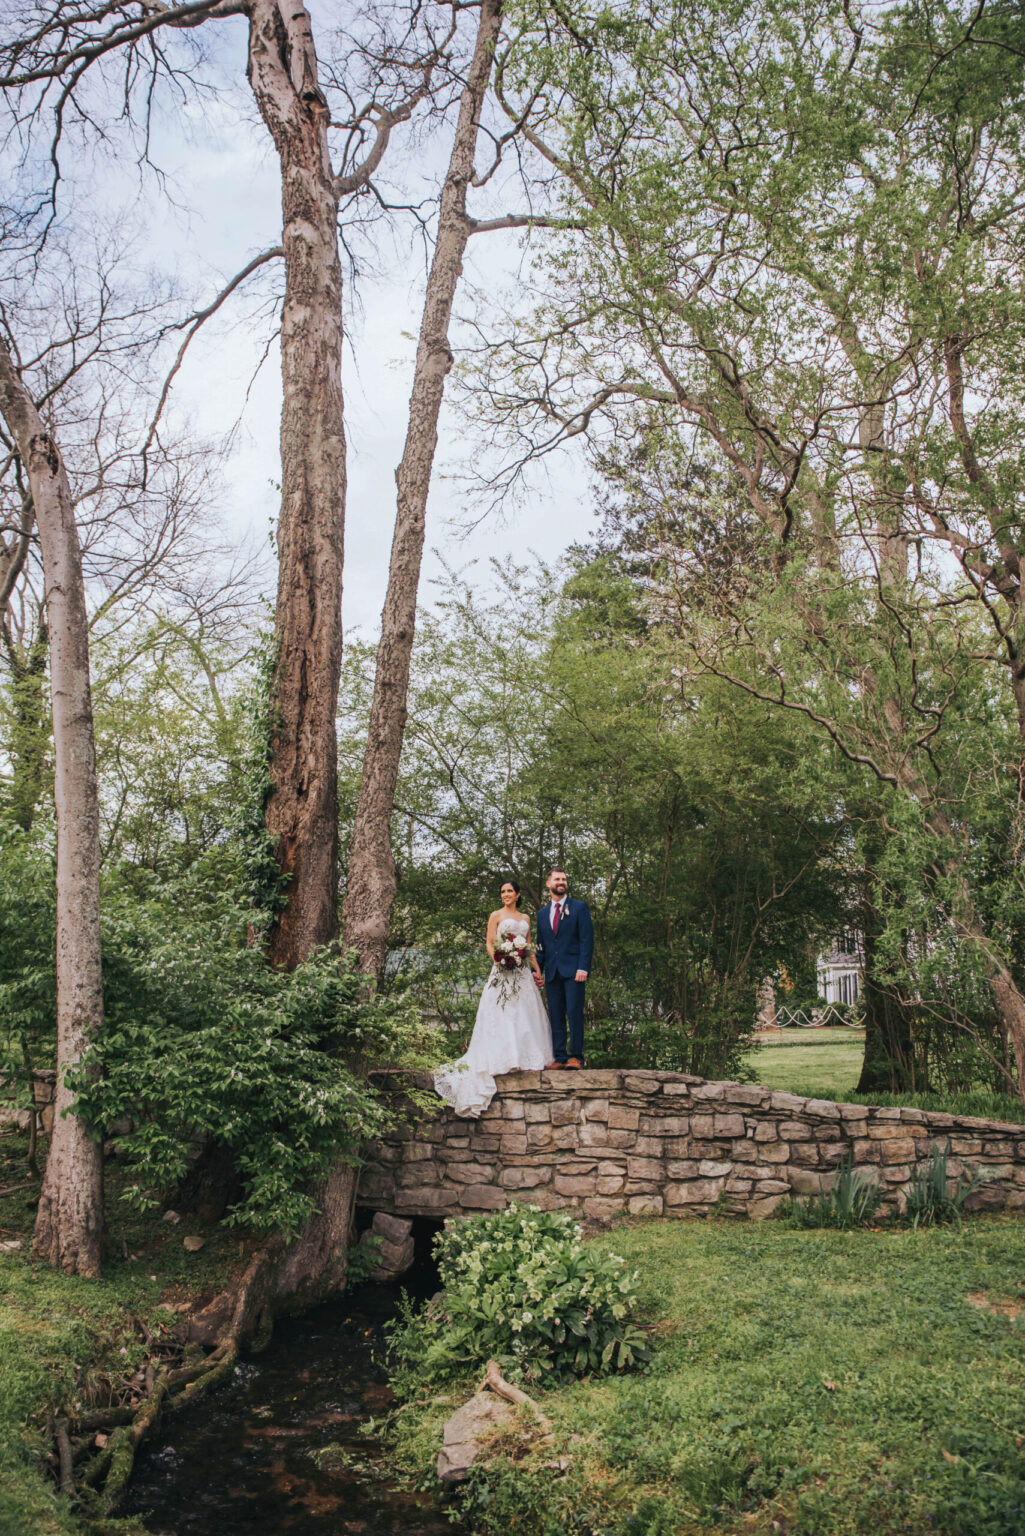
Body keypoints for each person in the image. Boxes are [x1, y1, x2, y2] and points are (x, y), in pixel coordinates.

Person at [434, 879, 553, 1117]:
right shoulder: (495, 915)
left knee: (525, 1012)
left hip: (521, 972)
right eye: (503, 891)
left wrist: (537, 970)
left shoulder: (526, 919)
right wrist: (500, 958)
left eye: (510, 891)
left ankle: (525, 1056)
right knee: (502, 1012)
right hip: (502, 969)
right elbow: (489, 943)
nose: (506, 894)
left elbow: (528, 947)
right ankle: (503, 1056)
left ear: (518, 894)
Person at [535, 867, 593, 1069]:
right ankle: (559, 1057)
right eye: (557, 879)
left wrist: (583, 968)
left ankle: (576, 1056)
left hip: (574, 971)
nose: (561, 882)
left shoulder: (579, 908)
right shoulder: (542, 914)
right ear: (549, 884)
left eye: (564, 879)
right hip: (552, 972)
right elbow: (541, 946)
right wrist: (537, 971)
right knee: (556, 1015)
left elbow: (586, 940)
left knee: (574, 1012)